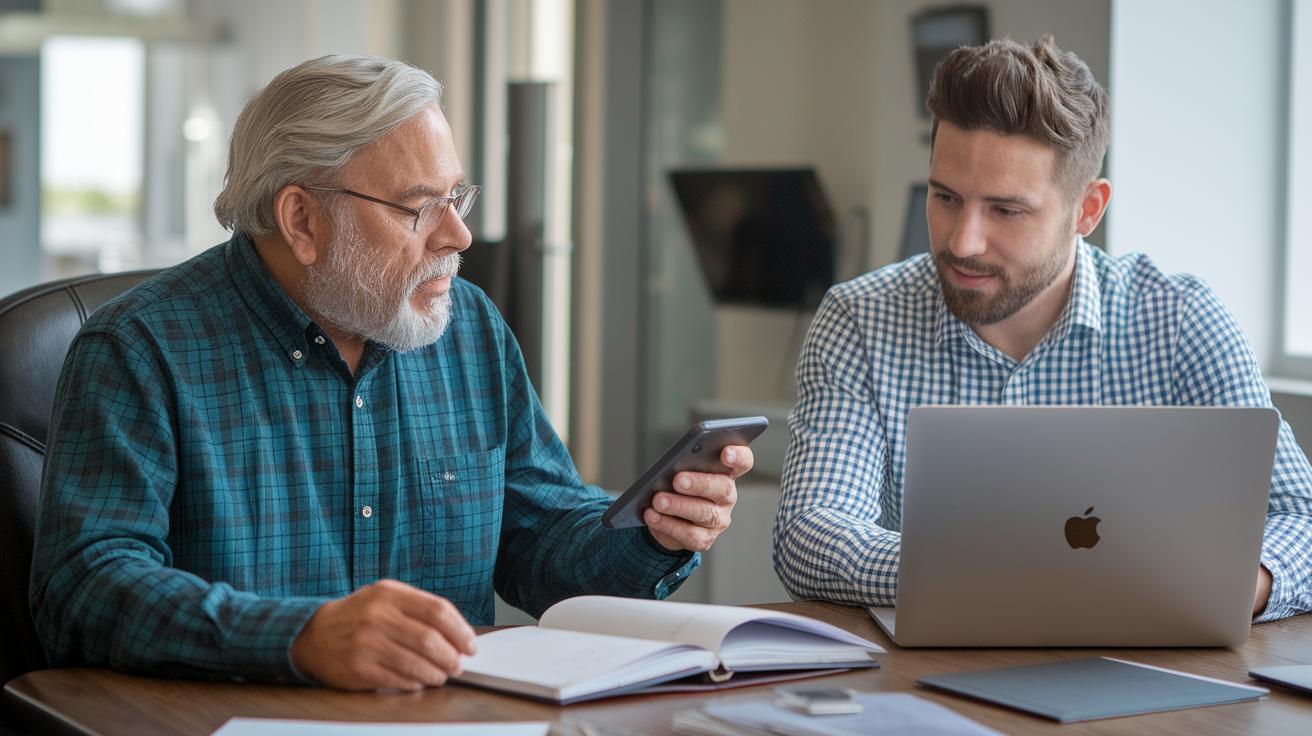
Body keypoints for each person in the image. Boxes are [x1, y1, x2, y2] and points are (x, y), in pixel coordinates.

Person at [31, 54, 752, 691]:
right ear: (302, 220)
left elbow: (541, 547)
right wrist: (300, 638)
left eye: (456, 197)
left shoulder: (468, 328)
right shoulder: (140, 348)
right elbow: (84, 589)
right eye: (419, 207)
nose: (459, 235)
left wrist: (651, 530)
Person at [773, 35, 1312, 622]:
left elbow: (1298, 517)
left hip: (1151, 677)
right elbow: (810, 535)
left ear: (1087, 210)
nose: (962, 241)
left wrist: (1234, 585)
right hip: (928, 686)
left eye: (1006, 210)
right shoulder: (860, 319)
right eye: (946, 197)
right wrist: (1012, 572)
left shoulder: (1179, 320)